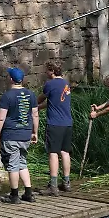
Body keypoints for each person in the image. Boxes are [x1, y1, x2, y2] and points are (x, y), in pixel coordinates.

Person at [0, 67, 39, 203]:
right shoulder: (31, 95)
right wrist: (35, 132)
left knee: (13, 165)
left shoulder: (7, 96)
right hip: (25, 134)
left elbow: (1, 117)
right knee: (22, 163)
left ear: (11, 79)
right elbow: (35, 114)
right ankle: (28, 193)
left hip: (11, 135)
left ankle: (14, 196)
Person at [38, 60, 73, 195]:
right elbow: (54, 101)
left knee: (53, 152)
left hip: (54, 123)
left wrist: (33, 105)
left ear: (52, 71)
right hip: (67, 123)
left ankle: (53, 186)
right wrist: (40, 108)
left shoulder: (50, 84)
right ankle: (66, 182)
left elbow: (41, 99)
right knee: (65, 152)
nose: (45, 73)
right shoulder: (66, 83)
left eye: (47, 70)